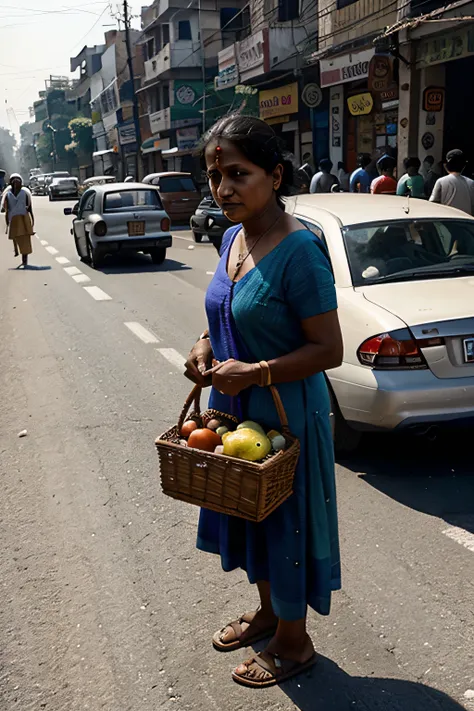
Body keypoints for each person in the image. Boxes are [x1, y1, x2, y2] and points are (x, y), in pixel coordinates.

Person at [184, 114, 343, 689]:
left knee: (287, 526)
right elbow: (223, 313)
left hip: (287, 414)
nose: (222, 189)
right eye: (214, 176)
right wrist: (203, 345)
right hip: (236, 415)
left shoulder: (300, 251)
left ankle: (295, 644)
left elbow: (329, 349)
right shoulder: (232, 236)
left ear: (275, 176)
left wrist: (257, 372)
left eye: (237, 174)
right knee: (251, 517)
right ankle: (272, 613)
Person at [1, 173, 35, 267]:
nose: (16, 183)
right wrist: (7, 222)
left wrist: (32, 221)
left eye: (18, 181)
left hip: (23, 218)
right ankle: (16, 250)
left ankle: (24, 260)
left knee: (25, 240)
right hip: (14, 219)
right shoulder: (8, 195)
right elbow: (6, 209)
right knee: (16, 237)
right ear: (11, 183)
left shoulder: (25, 193)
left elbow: (29, 207)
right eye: (14, 181)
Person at [429, 149, 474, 214]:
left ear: (446, 165)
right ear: (463, 166)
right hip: (466, 221)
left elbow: (433, 204)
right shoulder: (471, 183)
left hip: (447, 221)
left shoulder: (441, 181)